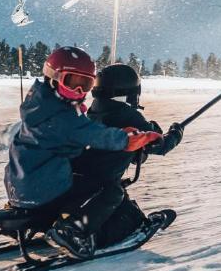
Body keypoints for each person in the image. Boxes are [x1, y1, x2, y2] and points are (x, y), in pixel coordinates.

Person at [4, 46, 161, 258]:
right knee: (110, 191)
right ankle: (72, 231)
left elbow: (80, 132)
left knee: (80, 175)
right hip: (46, 188)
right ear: (53, 76)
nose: (79, 92)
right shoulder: (62, 117)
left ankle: (42, 221)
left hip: (19, 187)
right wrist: (126, 140)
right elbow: (93, 134)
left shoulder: (40, 106)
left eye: (85, 84)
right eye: (72, 82)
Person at [71, 63, 182, 246]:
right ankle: (91, 231)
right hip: (102, 182)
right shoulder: (128, 115)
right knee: (129, 222)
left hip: (78, 179)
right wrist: (176, 134)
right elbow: (159, 145)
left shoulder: (91, 111)